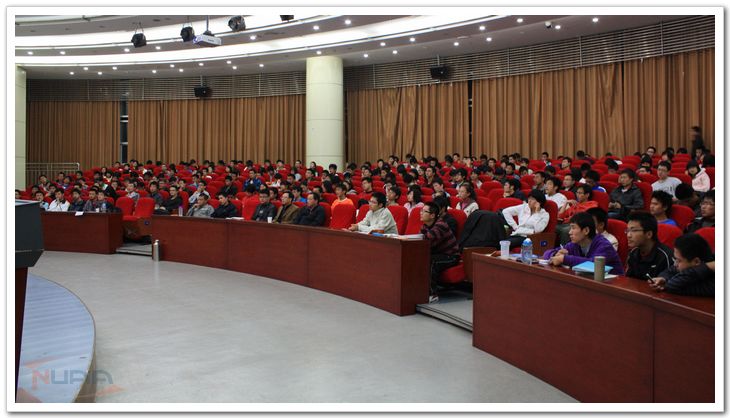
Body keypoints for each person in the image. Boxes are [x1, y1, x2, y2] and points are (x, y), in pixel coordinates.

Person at [543, 212, 624, 274]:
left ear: (586, 230)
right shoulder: (574, 244)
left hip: (614, 285)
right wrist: (555, 254)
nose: (569, 232)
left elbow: (594, 265)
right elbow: (546, 254)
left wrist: (564, 259)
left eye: (573, 228)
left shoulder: (604, 245)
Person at [649, 233, 714, 297]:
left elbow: (672, 285)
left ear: (696, 261)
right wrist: (663, 278)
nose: (675, 264)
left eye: (679, 260)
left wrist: (706, 267)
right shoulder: (688, 265)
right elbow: (669, 271)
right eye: (675, 259)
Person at [420, 202, 460, 302]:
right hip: (438, 253)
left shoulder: (441, 225)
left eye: (424, 211)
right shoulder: (425, 226)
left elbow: (428, 241)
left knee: (431, 261)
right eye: (421, 210)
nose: (421, 213)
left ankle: (432, 294)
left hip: (450, 256)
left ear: (432, 215)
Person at [623, 211, 674, 280]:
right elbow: (629, 280)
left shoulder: (665, 256)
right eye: (628, 230)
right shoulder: (633, 252)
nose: (628, 235)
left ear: (649, 234)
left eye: (634, 230)